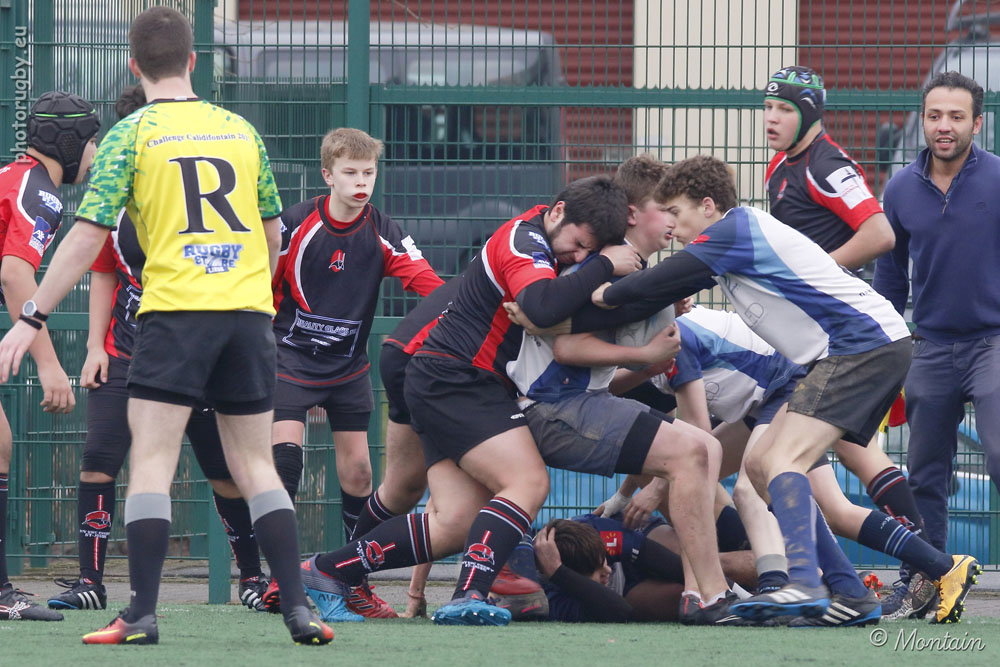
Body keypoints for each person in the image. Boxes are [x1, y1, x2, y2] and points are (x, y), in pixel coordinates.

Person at [0, 7, 331, 645]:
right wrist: (249, 295)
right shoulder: (241, 131)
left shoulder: (132, 134)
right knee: (256, 465)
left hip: (176, 314)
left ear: (133, 66)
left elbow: (89, 236)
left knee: (152, 462)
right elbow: (273, 234)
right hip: (247, 317)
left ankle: (140, 616)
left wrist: (31, 316)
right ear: (193, 61)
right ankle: (298, 610)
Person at [266, 176, 640, 626]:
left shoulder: (550, 243)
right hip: (453, 376)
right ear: (558, 212)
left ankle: (328, 571)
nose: (578, 257)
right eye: (578, 245)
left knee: (455, 520)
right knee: (525, 481)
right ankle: (468, 592)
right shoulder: (525, 240)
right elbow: (542, 306)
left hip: (450, 376)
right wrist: (606, 266)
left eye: (589, 252)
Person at [592, 155, 939, 624]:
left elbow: (655, 282)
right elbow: (663, 289)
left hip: (857, 347)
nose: (671, 226)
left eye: (675, 212)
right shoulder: (728, 245)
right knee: (761, 468)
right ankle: (879, 584)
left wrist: (599, 291)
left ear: (708, 206)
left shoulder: (731, 232)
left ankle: (803, 583)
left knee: (780, 464)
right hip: (838, 355)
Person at [46, 85, 270, 614]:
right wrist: (95, 347)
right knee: (99, 462)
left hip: (195, 349)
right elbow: (102, 271)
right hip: (129, 351)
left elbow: (265, 240)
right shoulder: (115, 205)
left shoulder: (199, 200)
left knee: (226, 471)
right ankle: (91, 581)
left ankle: (254, 578)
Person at [620, 305, 979, 625]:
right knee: (836, 510)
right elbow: (648, 417)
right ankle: (915, 574)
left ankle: (776, 587)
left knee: (751, 485)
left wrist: (653, 490)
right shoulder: (642, 354)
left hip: (788, 384)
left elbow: (699, 437)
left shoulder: (674, 341)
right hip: (763, 401)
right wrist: (623, 496)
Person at [764, 64, 935, 620]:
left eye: (784, 109)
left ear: (811, 113)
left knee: (807, 461)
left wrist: (815, 275)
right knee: (835, 460)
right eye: (768, 107)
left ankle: (921, 572)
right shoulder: (780, 167)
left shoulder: (827, 165)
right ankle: (914, 572)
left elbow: (879, 233)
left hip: (842, 339)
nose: (771, 119)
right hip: (814, 339)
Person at [266, 127, 442, 617]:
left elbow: (427, 283)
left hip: (347, 366)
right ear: (328, 175)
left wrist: (461, 312)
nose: (361, 182)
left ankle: (349, 579)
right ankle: (283, 580)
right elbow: (259, 286)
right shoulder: (293, 225)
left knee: (361, 473)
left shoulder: (385, 230)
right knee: (285, 463)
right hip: (289, 358)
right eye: (350, 172)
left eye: (369, 172)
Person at [873, 70, 999, 616]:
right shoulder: (900, 188)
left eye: (956, 116)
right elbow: (890, 277)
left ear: (977, 123)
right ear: (923, 121)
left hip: (994, 343)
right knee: (924, 473)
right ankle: (925, 581)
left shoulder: (998, 178)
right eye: (934, 116)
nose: (944, 126)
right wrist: (887, 342)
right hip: (930, 347)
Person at [0, 90, 99, 622]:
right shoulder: (40, 193)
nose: (96, 153)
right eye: (93, 141)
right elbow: (15, 275)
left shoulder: (17, 178)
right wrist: (48, 362)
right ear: (71, 141)